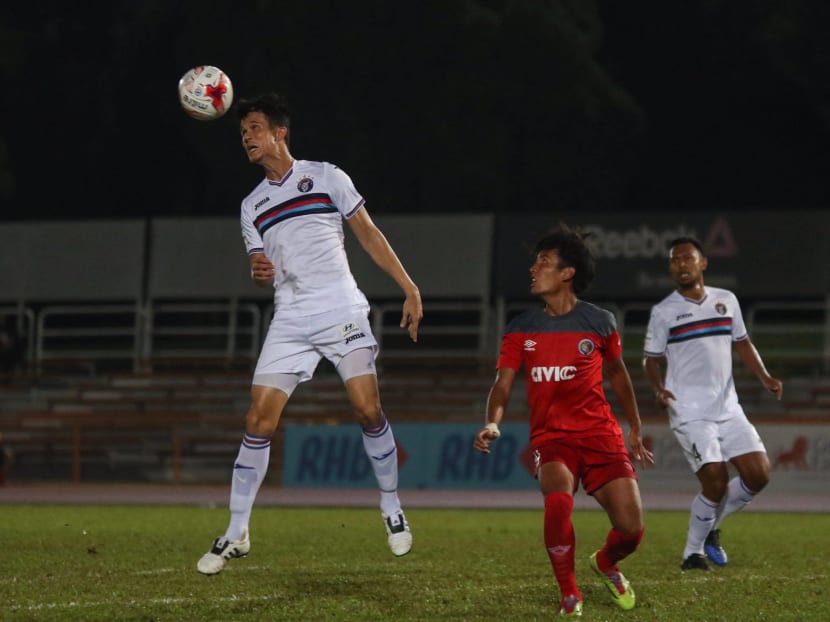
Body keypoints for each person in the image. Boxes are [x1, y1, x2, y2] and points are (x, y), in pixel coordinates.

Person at [197, 93, 423, 575]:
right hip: (291, 317)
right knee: (259, 418)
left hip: (339, 305)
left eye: (254, 128)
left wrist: (408, 286)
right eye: (242, 134)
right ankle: (236, 530)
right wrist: (258, 269)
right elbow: (260, 263)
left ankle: (391, 504)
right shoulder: (251, 205)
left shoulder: (325, 176)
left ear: (280, 132)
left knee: (367, 408)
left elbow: (367, 232)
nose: (247, 138)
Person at [474, 224, 653, 617]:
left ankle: (606, 563)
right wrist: (493, 422)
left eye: (544, 262)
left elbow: (619, 374)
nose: (534, 269)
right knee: (557, 502)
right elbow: (502, 384)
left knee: (631, 531)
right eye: (536, 262)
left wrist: (635, 425)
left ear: (567, 273)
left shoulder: (600, 321)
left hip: (601, 434)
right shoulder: (522, 327)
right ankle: (569, 592)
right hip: (552, 438)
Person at [643, 236, 783, 572]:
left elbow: (743, 342)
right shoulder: (663, 312)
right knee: (715, 480)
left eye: (687, 258)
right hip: (689, 412)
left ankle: (710, 530)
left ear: (702, 263)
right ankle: (693, 554)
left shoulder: (727, 300)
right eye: (674, 261)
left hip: (727, 407)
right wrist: (658, 388)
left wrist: (764, 377)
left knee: (758, 474)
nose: (681, 265)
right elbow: (650, 360)